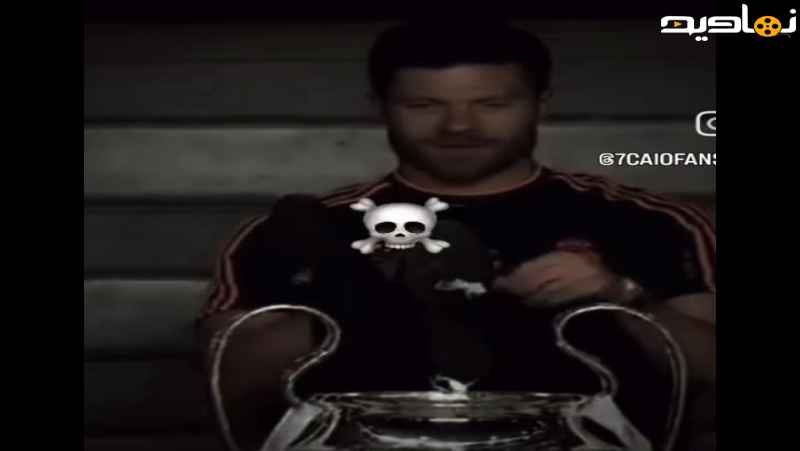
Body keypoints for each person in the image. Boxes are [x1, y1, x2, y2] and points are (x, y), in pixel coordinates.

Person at [195, 21, 716, 450]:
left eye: (492, 104)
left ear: (541, 103)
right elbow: (228, 382)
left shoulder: (649, 221)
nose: (459, 126)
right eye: (424, 106)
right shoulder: (292, 230)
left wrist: (621, 295)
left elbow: (710, 371)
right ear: (380, 106)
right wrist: (339, 289)